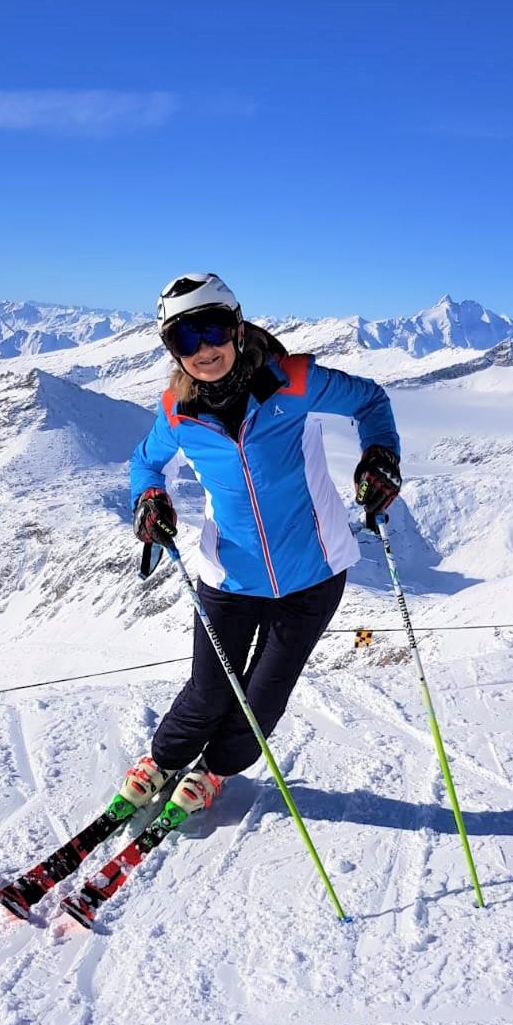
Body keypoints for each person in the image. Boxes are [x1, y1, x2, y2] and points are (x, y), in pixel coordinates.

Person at [121, 272, 401, 816]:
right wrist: (149, 496)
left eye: (212, 328)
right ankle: (164, 759)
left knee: (260, 702)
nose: (204, 349)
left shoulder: (293, 382)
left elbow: (370, 401)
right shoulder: (176, 412)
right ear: (172, 350)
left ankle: (216, 770)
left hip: (313, 575)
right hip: (229, 576)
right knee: (208, 692)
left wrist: (380, 453)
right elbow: (145, 463)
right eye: (185, 338)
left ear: (236, 325)